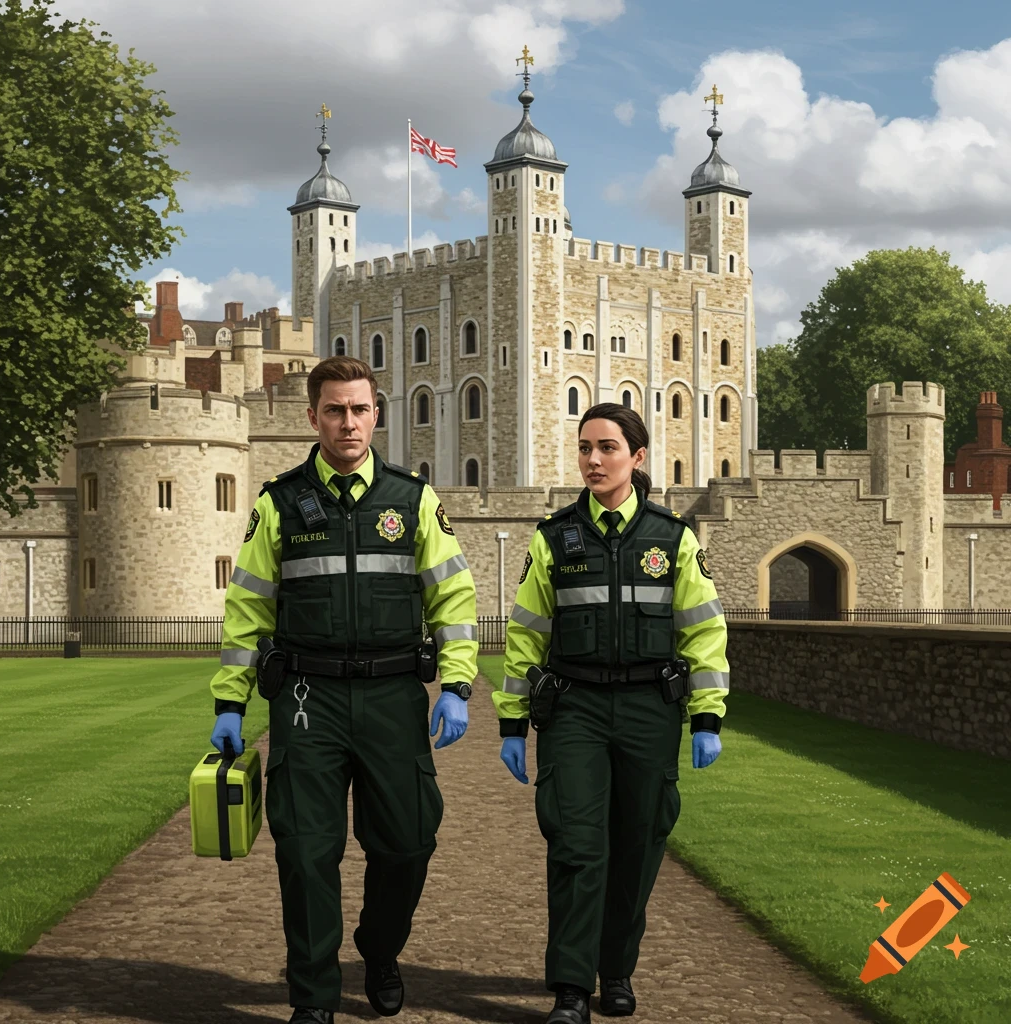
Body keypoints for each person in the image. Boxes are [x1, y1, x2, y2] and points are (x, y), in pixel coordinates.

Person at [209, 355, 479, 1024]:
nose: (348, 422)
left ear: (376, 415)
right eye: (335, 410)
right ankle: (314, 998)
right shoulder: (277, 503)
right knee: (305, 853)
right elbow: (248, 608)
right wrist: (230, 702)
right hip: (308, 699)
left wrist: (457, 684)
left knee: (409, 843)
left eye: (360, 409)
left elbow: (452, 598)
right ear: (313, 417)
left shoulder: (413, 500)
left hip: (392, 697)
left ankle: (379, 950)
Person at [495, 402, 729, 1024]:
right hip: (575, 709)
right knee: (576, 846)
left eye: (607, 448)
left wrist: (707, 717)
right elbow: (526, 635)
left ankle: (617, 969)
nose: (593, 460)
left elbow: (703, 632)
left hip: (651, 710)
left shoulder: (673, 539)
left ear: (637, 456)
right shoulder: (553, 538)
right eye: (584, 448)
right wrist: (513, 722)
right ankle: (571, 987)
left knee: (639, 844)